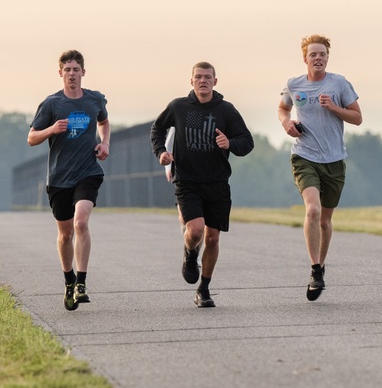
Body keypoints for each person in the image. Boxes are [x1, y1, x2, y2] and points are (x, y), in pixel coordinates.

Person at [150, 62, 254, 308]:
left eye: (207, 77)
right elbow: (157, 129)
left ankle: (204, 289)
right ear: (191, 81)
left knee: (213, 239)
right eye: (198, 77)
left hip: (217, 182)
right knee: (195, 231)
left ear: (215, 81)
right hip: (188, 181)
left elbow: (246, 142)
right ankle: (189, 253)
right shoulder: (179, 107)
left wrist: (229, 143)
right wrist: (161, 152)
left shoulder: (226, 110)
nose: (203, 81)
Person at [278, 34, 362, 301]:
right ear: (305, 58)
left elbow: (358, 118)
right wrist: (286, 123)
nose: (318, 58)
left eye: (322, 54)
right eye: (313, 54)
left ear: (328, 58)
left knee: (325, 221)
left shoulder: (339, 83)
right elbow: (282, 108)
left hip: (334, 160)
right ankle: (314, 269)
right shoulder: (294, 84)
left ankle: (320, 266)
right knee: (312, 210)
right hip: (305, 156)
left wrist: (335, 107)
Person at [28, 49, 110, 311]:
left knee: (81, 222)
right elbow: (32, 138)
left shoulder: (94, 99)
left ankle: (82, 283)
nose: (72, 74)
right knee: (65, 235)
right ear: (60, 73)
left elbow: (104, 122)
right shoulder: (52, 104)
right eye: (67, 70)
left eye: (76, 69)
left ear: (83, 72)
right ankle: (68, 281)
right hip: (59, 177)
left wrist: (105, 143)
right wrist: (52, 129)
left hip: (87, 171)